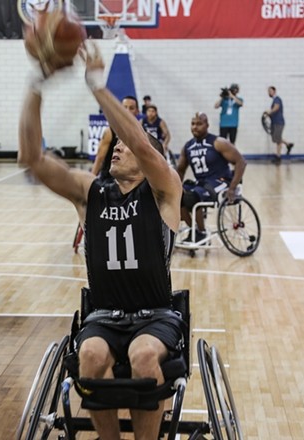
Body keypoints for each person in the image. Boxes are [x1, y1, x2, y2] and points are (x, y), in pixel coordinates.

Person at [18, 41, 185, 440]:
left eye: (123, 145)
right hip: (103, 313)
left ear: (149, 164)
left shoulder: (163, 191)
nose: (116, 147)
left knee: (144, 356)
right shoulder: (90, 192)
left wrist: (96, 84)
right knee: (90, 357)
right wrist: (36, 85)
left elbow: (143, 143)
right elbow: (32, 158)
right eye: (113, 145)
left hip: (156, 313)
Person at [175, 112, 247, 243]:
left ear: (207, 125)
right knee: (178, 195)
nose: (195, 127)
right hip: (201, 184)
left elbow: (241, 162)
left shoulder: (218, 142)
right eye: (193, 124)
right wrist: (175, 187)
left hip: (221, 181)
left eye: (199, 124)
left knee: (192, 196)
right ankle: (195, 229)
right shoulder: (188, 147)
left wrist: (232, 188)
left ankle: (201, 233)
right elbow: (180, 169)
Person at [91, 95, 142, 179]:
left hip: (129, 179)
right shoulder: (110, 131)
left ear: (137, 111)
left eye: (131, 108)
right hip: (109, 180)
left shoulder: (141, 133)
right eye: (124, 107)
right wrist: (90, 181)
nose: (127, 111)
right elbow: (99, 159)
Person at [264, 86, 294, 163]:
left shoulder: (277, 99)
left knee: (277, 140)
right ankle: (288, 145)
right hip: (275, 123)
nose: (269, 93)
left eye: (270, 91)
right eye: (268, 91)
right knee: (276, 138)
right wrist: (268, 115)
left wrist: (269, 112)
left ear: (274, 91)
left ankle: (278, 157)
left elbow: (276, 107)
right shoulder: (274, 100)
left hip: (279, 122)